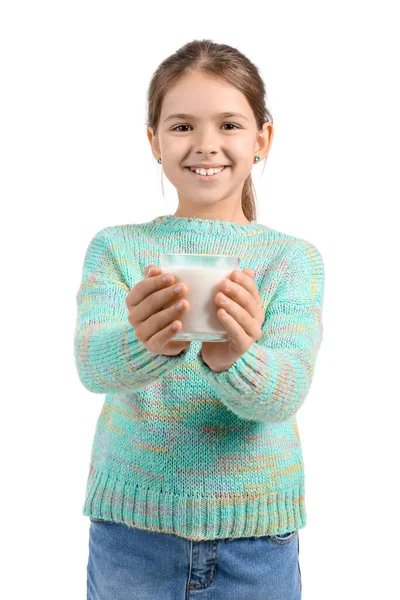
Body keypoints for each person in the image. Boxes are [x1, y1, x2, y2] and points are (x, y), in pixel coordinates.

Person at [75, 38, 325, 600]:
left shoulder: (293, 260)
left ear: (262, 139)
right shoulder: (117, 248)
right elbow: (92, 364)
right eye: (183, 126)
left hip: (258, 539)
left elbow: (285, 391)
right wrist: (144, 343)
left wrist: (234, 357)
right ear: (154, 141)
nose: (206, 145)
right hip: (132, 533)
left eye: (229, 125)